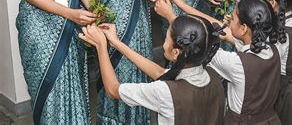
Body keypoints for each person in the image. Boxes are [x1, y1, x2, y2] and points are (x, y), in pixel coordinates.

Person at [79, 15, 225, 125]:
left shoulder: (165, 91)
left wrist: (101, 46)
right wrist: (117, 42)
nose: (164, 42)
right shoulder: (212, 75)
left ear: (175, 52)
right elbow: (159, 72)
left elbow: (112, 89)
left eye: (167, 37)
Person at [167, 0, 284, 124]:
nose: (228, 21)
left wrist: (171, 17)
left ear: (243, 28)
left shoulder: (236, 64)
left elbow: (196, 45)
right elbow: (222, 29)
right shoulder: (272, 48)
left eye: (233, 18)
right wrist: (183, 5)